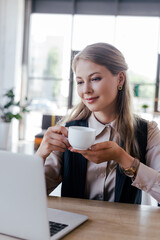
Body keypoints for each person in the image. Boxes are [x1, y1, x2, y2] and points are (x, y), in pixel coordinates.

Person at [36, 42, 160, 205]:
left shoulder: (147, 132)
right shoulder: (67, 132)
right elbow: (29, 195)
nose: (86, 90)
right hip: (73, 226)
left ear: (120, 79)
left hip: (124, 229)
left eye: (95, 79)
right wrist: (40, 155)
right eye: (80, 82)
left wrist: (123, 158)